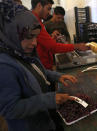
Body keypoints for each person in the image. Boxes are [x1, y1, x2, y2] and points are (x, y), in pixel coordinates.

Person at [0, 1, 77, 131]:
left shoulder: (23, 52)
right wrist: (48, 99)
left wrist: (58, 76)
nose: (35, 43)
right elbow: (10, 109)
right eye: (29, 37)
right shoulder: (4, 66)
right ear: (12, 33)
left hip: (43, 121)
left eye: (35, 37)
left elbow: (38, 71)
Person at [31, 0, 88, 70]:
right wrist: (77, 46)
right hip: (43, 66)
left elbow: (45, 43)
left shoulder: (37, 21)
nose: (49, 13)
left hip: (47, 64)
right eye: (48, 9)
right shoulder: (34, 23)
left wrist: (52, 38)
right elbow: (53, 47)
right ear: (39, 6)